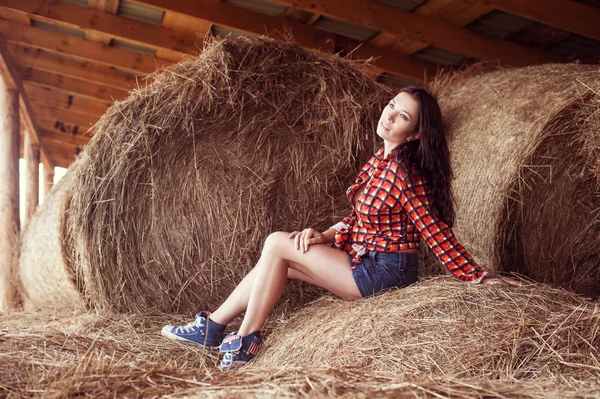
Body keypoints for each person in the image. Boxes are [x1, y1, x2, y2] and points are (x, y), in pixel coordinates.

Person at [161, 86, 520, 371]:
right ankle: (214, 327)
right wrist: (325, 235)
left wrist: (478, 277)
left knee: (275, 243)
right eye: (392, 106)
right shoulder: (380, 161)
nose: (390, 116)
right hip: (367, 262)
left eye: (403, 116)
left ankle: (245, 339)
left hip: (384, 271)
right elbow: (361, 217)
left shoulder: (404, 173)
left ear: (414, 134)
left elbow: (434, 230)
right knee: (277, 259)